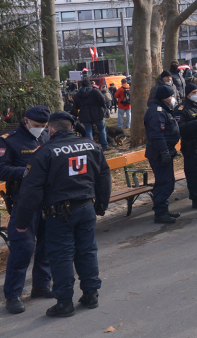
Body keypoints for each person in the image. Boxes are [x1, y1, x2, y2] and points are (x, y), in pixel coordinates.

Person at [14, 112, 110, 318]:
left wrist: (21, 222)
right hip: (86, 208)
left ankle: (64, 303)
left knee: (61, 256)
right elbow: (104, 178)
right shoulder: (92, 146)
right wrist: (101, 205)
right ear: (71, 127)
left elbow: (31, 191)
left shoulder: (45, 152)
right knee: (87, 251)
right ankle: (91, 294)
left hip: (60, 213)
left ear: (51, 129)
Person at [1, 107, 53, 314]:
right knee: (22, 248)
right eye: (37, 126)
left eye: (44, 126)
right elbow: (2, 170)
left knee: (47, 245)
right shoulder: (8, 140)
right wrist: (30, 173)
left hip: (48, 199)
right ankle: (13, 295)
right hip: (23, 202)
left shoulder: (47, 136)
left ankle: (41, 285)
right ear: (26, 121)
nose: (40, 130)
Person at [144, 85, 181, 224]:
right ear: (164, 98)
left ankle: (164, 209)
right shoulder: (157, 112)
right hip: (159, 153)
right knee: (164, 183)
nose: (173, 99)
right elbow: (156, 135)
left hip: (165, 151)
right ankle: (160, 213)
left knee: (168, 182)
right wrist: (164, 151)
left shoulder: (164, 110)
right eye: (171, 96)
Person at [73, 80, 109, 149]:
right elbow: (102, 100)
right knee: (101, 129)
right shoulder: (95, 91)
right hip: (97, 112)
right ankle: (104, 145)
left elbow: (75, 106)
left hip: (84, 113)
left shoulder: (78, 94)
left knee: (88, 130)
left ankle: (91, 147)